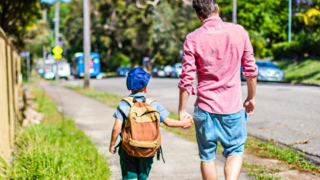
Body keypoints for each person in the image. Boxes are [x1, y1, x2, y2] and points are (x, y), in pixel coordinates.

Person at [178, 1, 258, 180]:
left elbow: (187, 79)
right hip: (233, 108)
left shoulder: (193, 38)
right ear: (218, 9)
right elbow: (251, 71)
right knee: (235, 151)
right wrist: (251, 98)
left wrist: (182, 110)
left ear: (199, 16)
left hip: (205, 109)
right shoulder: (239, 32)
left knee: (207, 156)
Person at [109, 67, 192, 180]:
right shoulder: (153, 104)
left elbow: (116, 128)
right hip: (148, 148)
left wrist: (112, 144)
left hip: (128, 148)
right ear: (146, 86)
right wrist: (184, 122)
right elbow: (169, 122)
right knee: (144, 177)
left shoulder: (124, 104)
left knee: (129, 177)